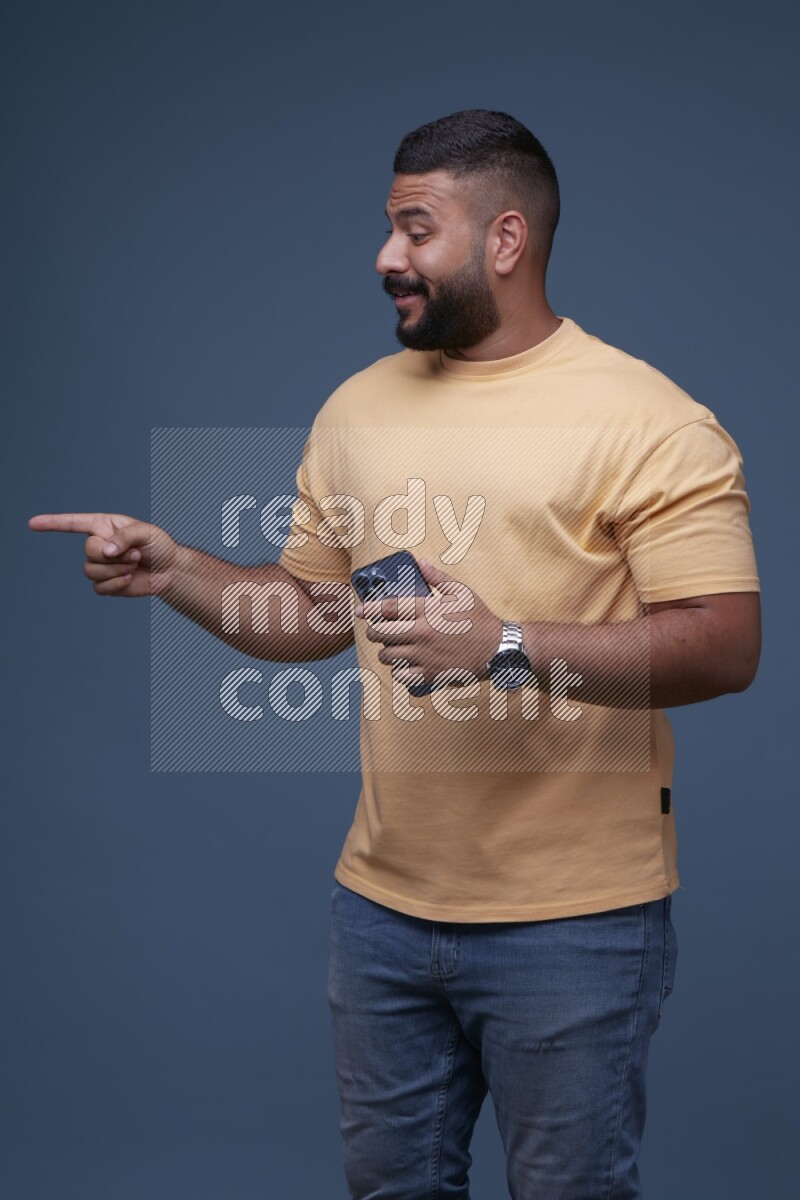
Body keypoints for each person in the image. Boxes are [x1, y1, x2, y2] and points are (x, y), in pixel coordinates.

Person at [29, 109, 761, 1198]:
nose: (385, 257)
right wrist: (173, 568)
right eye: (388, 229)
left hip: (576, 923)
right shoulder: (356, 410)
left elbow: (722, 646)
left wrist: (502, 646)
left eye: (415, 230)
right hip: (379, 914)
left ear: (503, 241)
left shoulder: (648, 420)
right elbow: (314, 616)